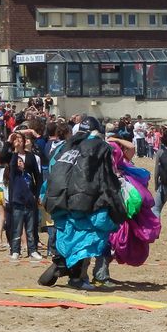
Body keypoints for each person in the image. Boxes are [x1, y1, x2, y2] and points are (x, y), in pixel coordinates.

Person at [38, 116, 127, 290]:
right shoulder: (101, 147)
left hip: (60, 199)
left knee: (68, 235)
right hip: (85, 200)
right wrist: (114, 200)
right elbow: (105, 175)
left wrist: (45, 194)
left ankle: (62, 264)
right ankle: (76, 277)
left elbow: (53, 170)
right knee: (87, 238)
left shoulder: (66, 146)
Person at [6, 133, 43, 260]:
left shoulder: (31, 156)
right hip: (16, 195)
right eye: (16, 140)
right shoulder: (12, 156)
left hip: (29, 194)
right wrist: (14, 150)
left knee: (31, 226)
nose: (19, 142)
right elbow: (11, 169)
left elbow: (37, 176)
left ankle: (32, 250)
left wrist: (37, 193)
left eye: (21, 140)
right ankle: (15, 249)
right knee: (16, 226)